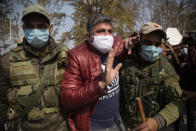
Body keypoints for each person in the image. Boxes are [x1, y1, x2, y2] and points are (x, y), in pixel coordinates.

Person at [0, 4, 69, 131]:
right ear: (23, 28)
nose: (36, 30)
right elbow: (2, 101)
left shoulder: (66, 58)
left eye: (41, 26)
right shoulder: (7, 61)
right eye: (30, 26)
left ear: (50, 29)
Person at [60, 14, 127, 131]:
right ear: (89, 36)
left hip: (117, 121)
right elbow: (68, 99)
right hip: (93, 125)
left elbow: (126, 46)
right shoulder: (77, 56)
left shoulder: (115, 46)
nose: (107, 36)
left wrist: (132, 43)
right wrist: (101, 84)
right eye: (101, 31)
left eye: (110, 31)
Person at [120, 22, 183, 131]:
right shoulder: (126, 60)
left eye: (157, 44)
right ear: (139, 39)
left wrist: (157, 122)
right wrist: (122, 46)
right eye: (147, 42)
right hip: (124, 126)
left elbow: (177, 101)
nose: (152, 47)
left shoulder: (165, 67)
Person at [180, 38, 196, 131]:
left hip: (190, 95)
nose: (189, 49)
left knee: (191, 116)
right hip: (185, 94)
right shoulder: (186, 65)